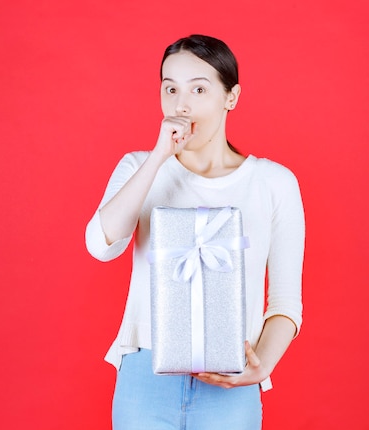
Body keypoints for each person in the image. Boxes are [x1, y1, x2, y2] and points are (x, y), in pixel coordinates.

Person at [85, 34, 305, 430]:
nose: (180, 104)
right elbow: (102, 245)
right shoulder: (140, 167)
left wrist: (260, 368)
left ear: (231, 97)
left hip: (231, 382)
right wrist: (158, 158)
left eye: (199, 89)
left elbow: (286, 302)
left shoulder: (274, 183)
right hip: (144, 373)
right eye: (170, 89)